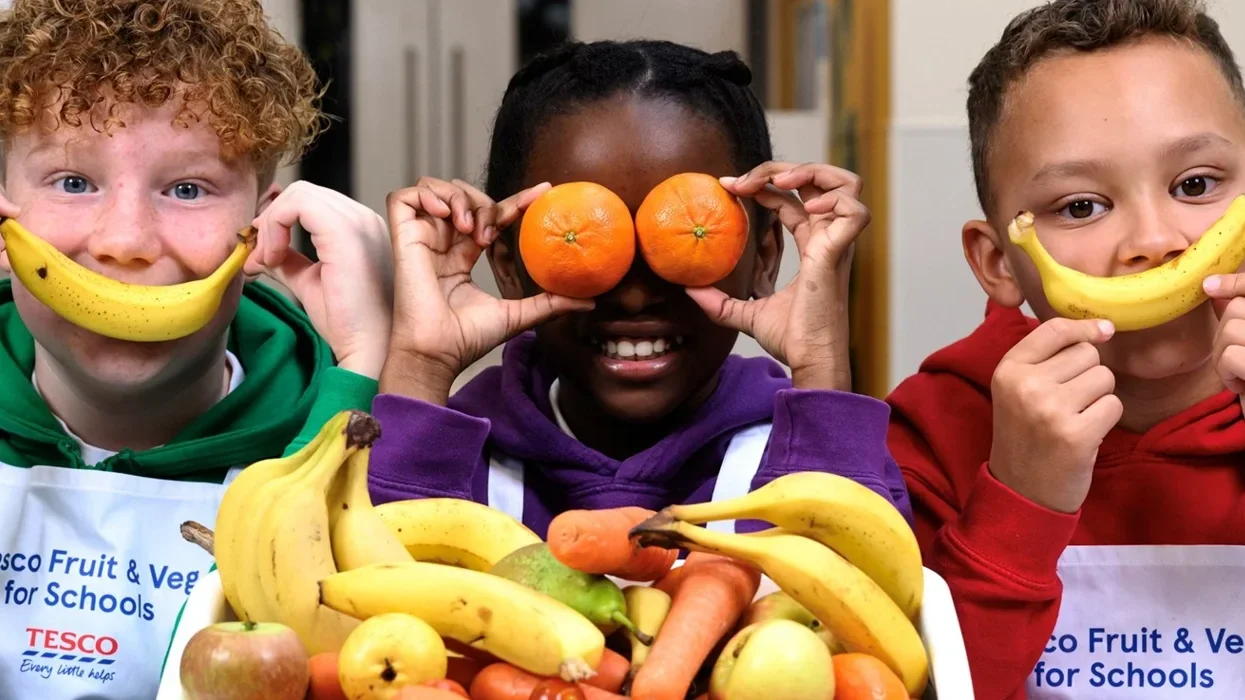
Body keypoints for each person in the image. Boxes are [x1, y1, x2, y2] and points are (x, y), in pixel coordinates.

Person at [365, 39, 911, 538]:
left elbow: (860, 615)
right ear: (509, 263)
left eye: (672, 243)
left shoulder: (817, 441)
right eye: (592, 246)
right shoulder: (449, 445)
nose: (633, 295)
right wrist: (420, 363)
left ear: (762, 256)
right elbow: (372, 605)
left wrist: (821, 366)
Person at [0, 1, 391, 697]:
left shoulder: (336, 428)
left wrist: (362, 365)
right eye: (72, 182)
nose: (125, 242)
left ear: (262, 229)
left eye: (187, 189)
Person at [885, 0, 1245, 698]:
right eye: (1080, 205)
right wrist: (1020, 499)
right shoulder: (930, 436)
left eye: (1194, 185)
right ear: (995, 264)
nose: (1154, 240)